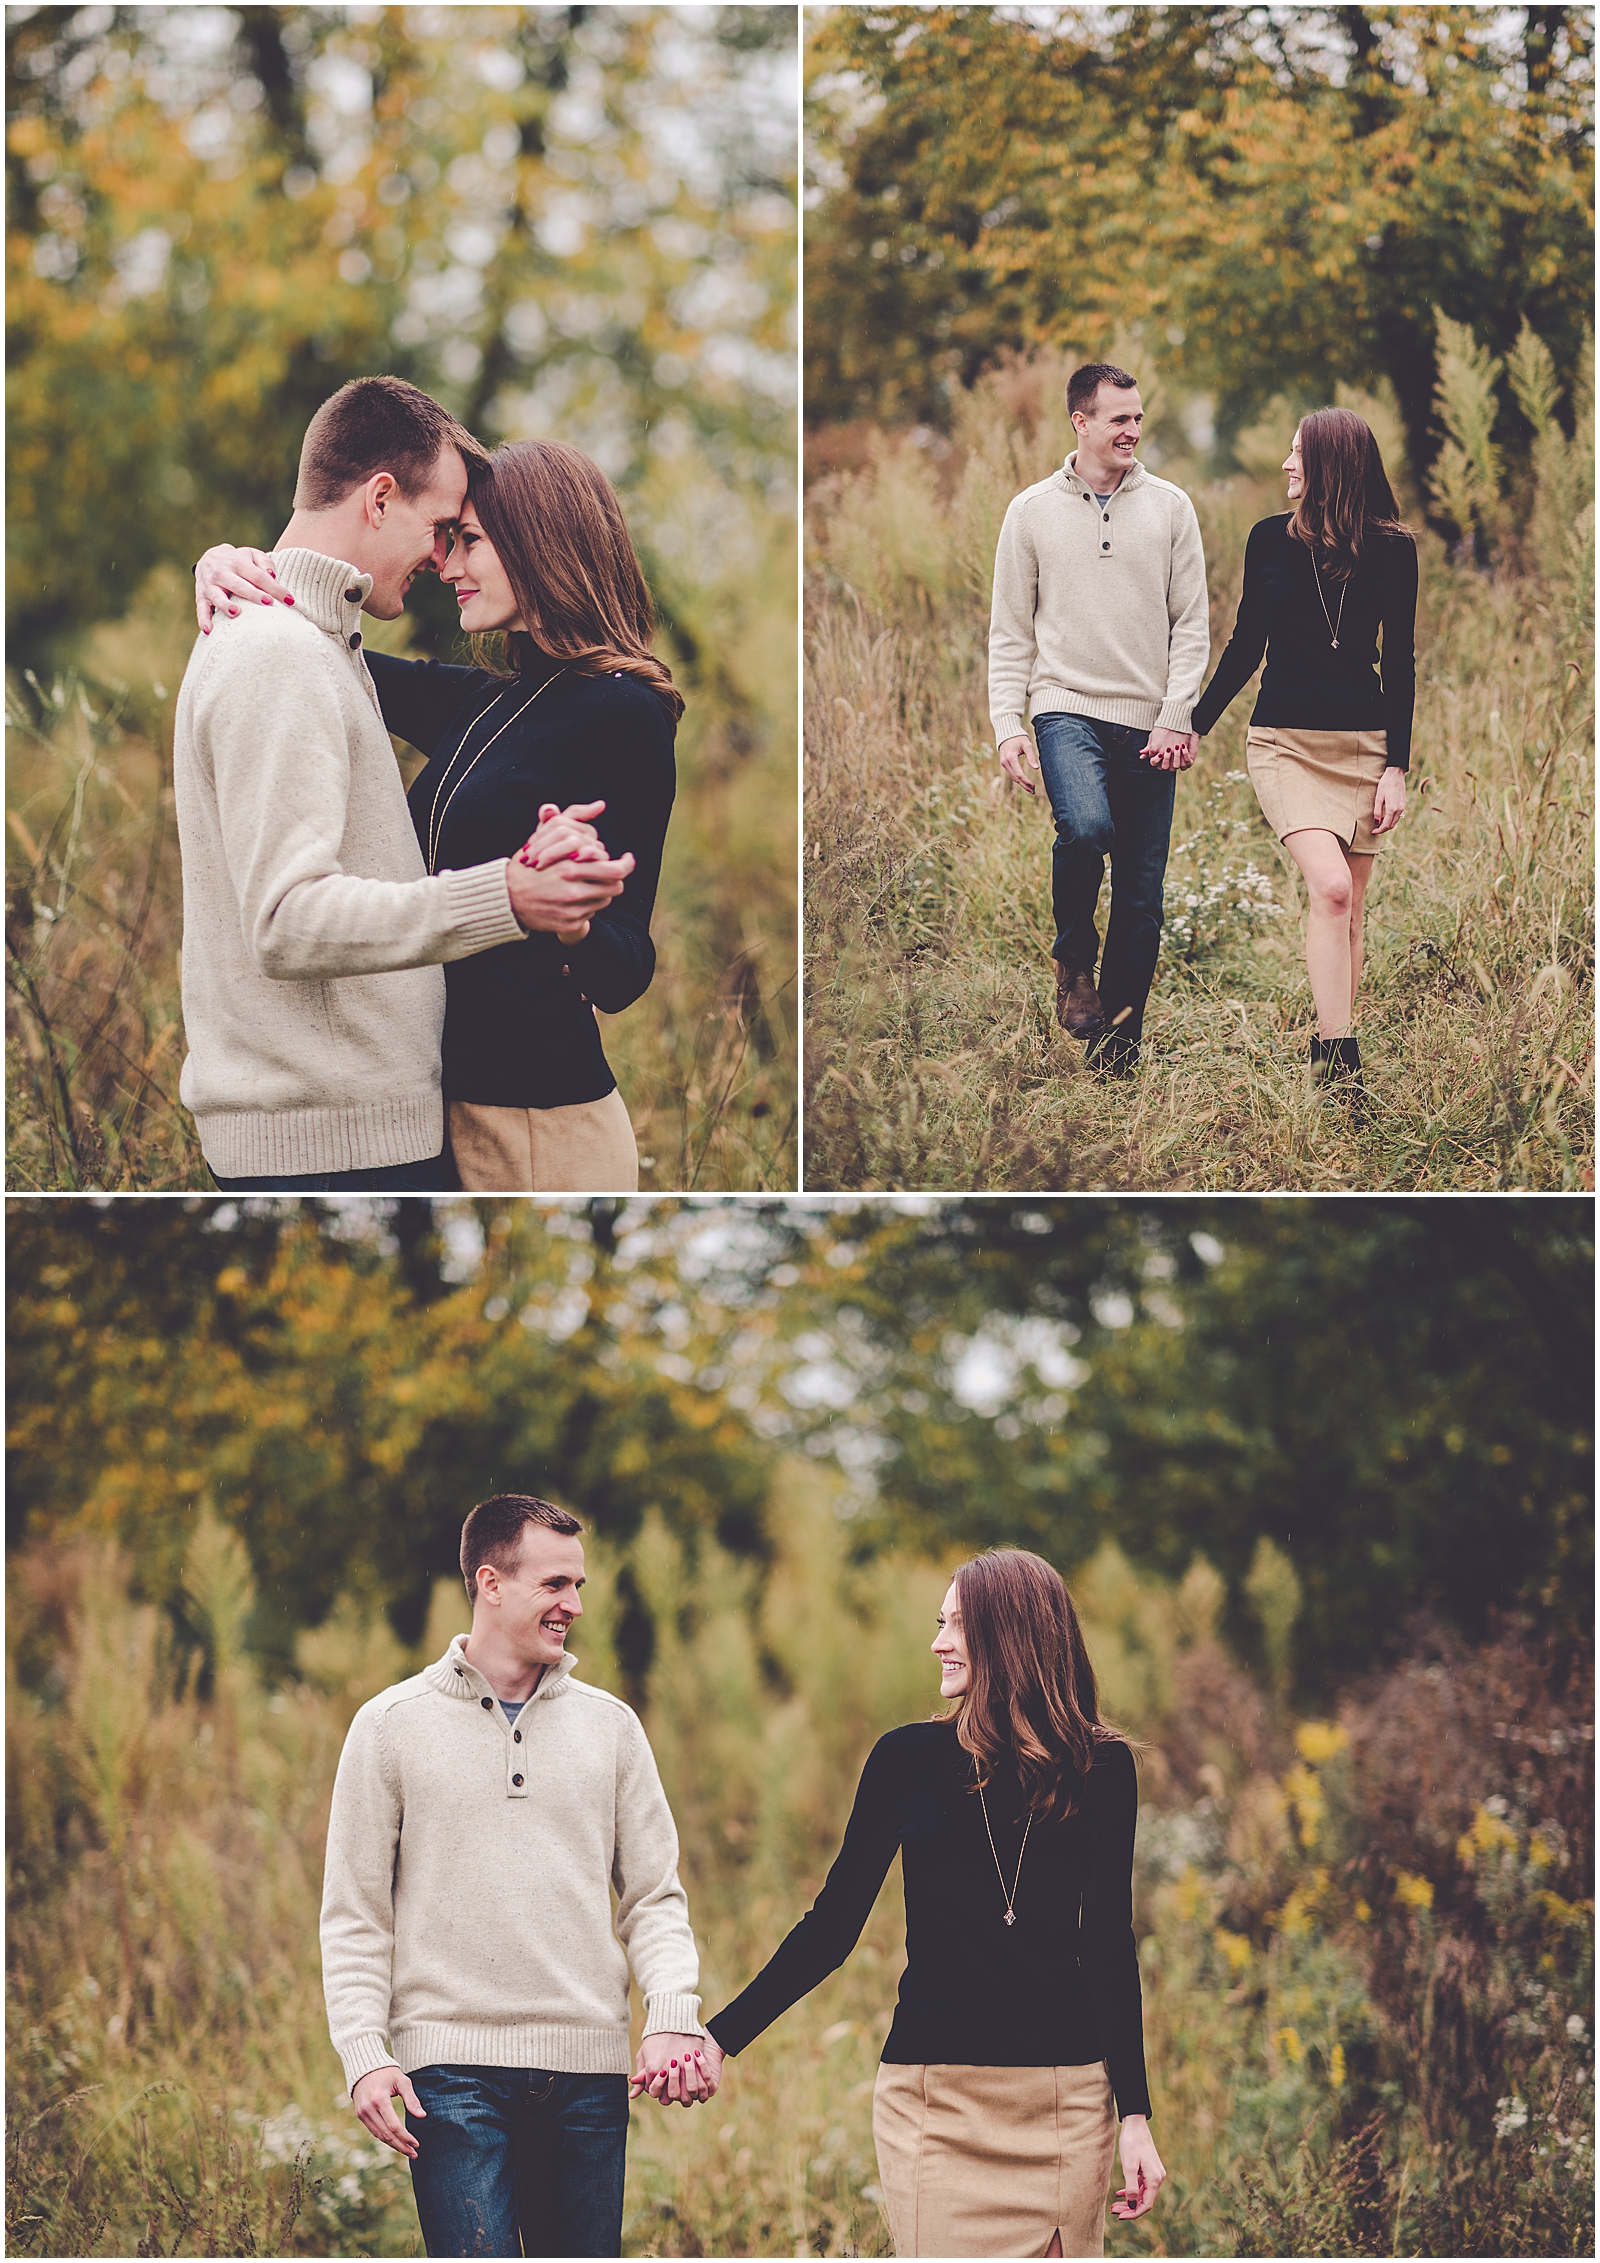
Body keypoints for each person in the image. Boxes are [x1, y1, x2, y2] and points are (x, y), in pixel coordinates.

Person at [175, 376, 633, 1193]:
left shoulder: (316, 652)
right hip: (337, 1140)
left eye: (467, 539)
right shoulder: (284, 653)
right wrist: (510, 895)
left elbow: (626, 959)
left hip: (462, 1118)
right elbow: (285, 919)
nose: (442, 557)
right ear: (380, 499)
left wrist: (237, 566)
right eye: (440, 531)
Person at [669, 1548, 1165, 2259]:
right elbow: (833, 1925)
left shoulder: (1102, 1767)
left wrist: (1136, 2115)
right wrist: (718, 2037)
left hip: (1066, 2101)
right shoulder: (905, 1760)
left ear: (1012, 1635)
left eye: (958, 1623)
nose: (937, 1640)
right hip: (935, 2103)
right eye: (939, 1621)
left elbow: (1110, 1944)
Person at [321, 1493, 717, 2260]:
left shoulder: (612, 1726)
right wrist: (365, 2053)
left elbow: (654, 1896)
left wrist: (672, 2009)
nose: (572, 1604)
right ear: (490, 1581)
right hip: (451, 2075)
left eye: (578, 1586)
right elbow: (355, 1913)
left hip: (587, 2076)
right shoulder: (389, 1725)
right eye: (554, 1584)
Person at [991, 364, 1210, 1076]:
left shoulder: (1172, 507)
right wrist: (1009, 723)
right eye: (1118, 418)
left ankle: (1118, 1055)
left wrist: (1177, 716)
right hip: (1066, 707)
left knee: (1143, 895)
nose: (1133, 430)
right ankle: (1073, 958)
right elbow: (1010, 632)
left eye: (1139, 417)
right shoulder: (1029, 511)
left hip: (1151, 722)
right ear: (1080, 421)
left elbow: (1193, 627)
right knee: (1084, 827)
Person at [1191, 407, 1415, 1092]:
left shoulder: (1394, 548)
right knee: (1333, 886)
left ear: (1331, 468)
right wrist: (1193, 724)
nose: (1287, 466)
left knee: (1348, 913)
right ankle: (1340, 1065)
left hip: (1363, 748)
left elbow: (1400, 661)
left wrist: (1397, 767)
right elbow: (1244, 646)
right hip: (1284, 743)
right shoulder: (1268, 541)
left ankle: (1330, 1043)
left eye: (1298, 455)